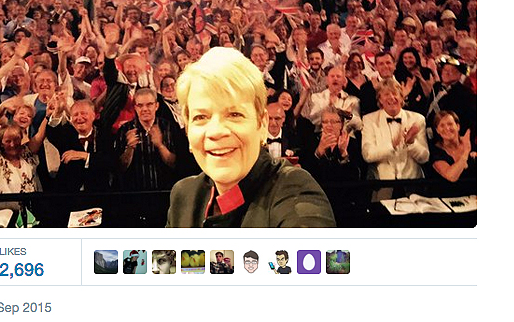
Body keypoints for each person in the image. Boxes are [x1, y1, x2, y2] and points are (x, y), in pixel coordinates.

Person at [166, 47, 335, 227]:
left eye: (234, 115)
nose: (215, 131)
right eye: (201, 117)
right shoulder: (184, 196)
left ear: (262, 124)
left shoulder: (294, 190)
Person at [361, 79, 429, 180]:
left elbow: (424, 158)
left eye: (395, 93)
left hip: (412, 182)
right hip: (383, 183)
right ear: (380, 99)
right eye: (386, 94)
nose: (391, 97)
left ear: (402, 98)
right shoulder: (369, 120)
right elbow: (368, 155)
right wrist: (392, 145)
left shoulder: (417, 119)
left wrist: (411, 143)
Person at [115, 88, 177, 190]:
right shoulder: (125, 130)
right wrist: (130, 148)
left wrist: (160, 146)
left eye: (149, 104)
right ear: (135, 107)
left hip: (165, 191)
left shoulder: (169, 127)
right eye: (140, 105)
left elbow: (176, 165)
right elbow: (120, 168)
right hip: (134, 193)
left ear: (156, 106)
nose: (144, 109)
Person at [429, 110, 477, 191]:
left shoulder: (471, 142)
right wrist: (466, 153)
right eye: (442, 125)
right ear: (437, 130)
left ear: (458, 126)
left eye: (450, 124)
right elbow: (451, 177)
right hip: (448, 197)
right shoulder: (436, 151)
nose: (447, 128)